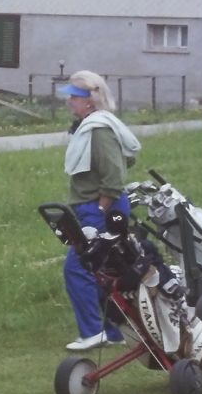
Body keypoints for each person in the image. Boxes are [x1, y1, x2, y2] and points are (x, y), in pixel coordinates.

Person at [56, 70, 142, 351]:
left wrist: (98, 211)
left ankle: (93, 332)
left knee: (77, 269)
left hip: (103, 209)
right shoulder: (90, 126)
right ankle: (113, 332)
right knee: (102, 272)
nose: (70, 101)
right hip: (95, 208)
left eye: (75, 96)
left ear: (90, 100)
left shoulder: (99, 130)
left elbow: (115, 176)